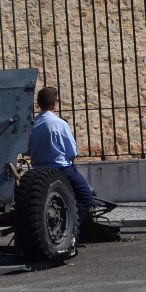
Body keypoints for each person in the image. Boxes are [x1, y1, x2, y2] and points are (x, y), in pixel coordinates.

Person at [27, 86, 94, 226]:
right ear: (54, 104)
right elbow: (72, 152)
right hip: (61, 168)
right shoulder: (60, 124)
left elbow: (27, 151)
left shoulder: (31, 124)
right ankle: (71, 227)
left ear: (38, 104)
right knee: (86, 197)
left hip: (37, 170)